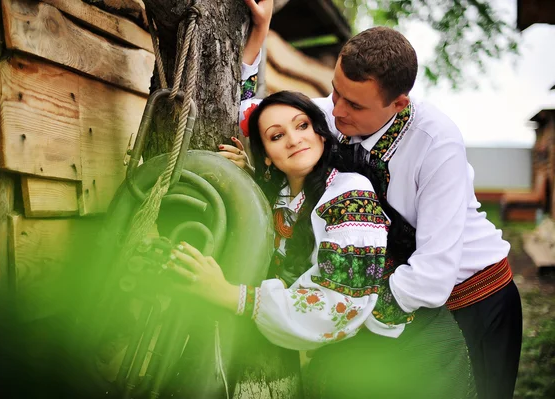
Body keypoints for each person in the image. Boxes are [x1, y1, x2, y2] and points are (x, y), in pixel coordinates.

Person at [223, 2, 523, 398]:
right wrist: (259, 34)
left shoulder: (437, 144)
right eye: (336, 92)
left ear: (398, 103)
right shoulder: (335, 113)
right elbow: (256, 115)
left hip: (470, 298)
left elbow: (432, 277)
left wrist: (341, 307)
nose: (337, 110)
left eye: (355, 104)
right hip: (391, 299)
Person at [164, 90, 476, 398]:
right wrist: (246, 180)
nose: (294, 139)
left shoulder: (350, 194)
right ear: (267, 157)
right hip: (352, 357)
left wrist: (231, 295)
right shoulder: (281, 195)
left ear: (322, 134)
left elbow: (336, 304)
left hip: (412, 357)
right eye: (276, 136)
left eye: (302, 126)